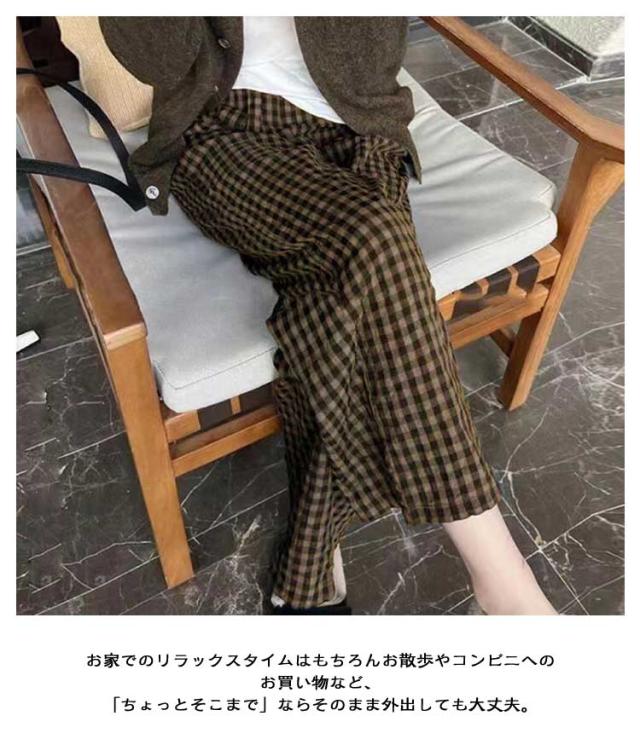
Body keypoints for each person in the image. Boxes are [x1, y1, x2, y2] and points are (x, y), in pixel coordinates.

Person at [100, 16, 557, 615]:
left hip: (359, 128)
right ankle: (505, 583)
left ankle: (313, 554)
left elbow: (374, 49)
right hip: (222, 134)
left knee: (344, 293)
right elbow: (158, 62)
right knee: (372, 237)